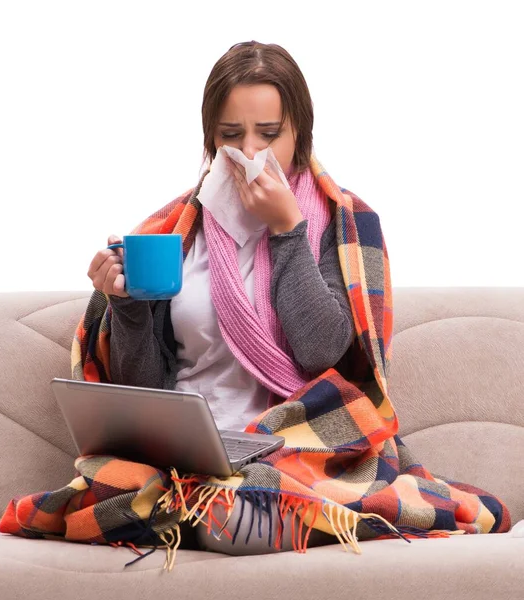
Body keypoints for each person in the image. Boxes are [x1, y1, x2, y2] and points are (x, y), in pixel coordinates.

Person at [86, 40, 356, 554]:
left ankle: (212, 515)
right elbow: (144, 389)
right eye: (231, 135)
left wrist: (287, 229)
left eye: (269, 135)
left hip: (284, 449)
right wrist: (125, 305)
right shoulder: (175, 233)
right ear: (211, 138)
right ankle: (186, 510)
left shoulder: (336, 223)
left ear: (301, 137)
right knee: (116, 491)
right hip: (180, 456)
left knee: (221, 518)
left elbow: (322, 350)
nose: (248, 153)